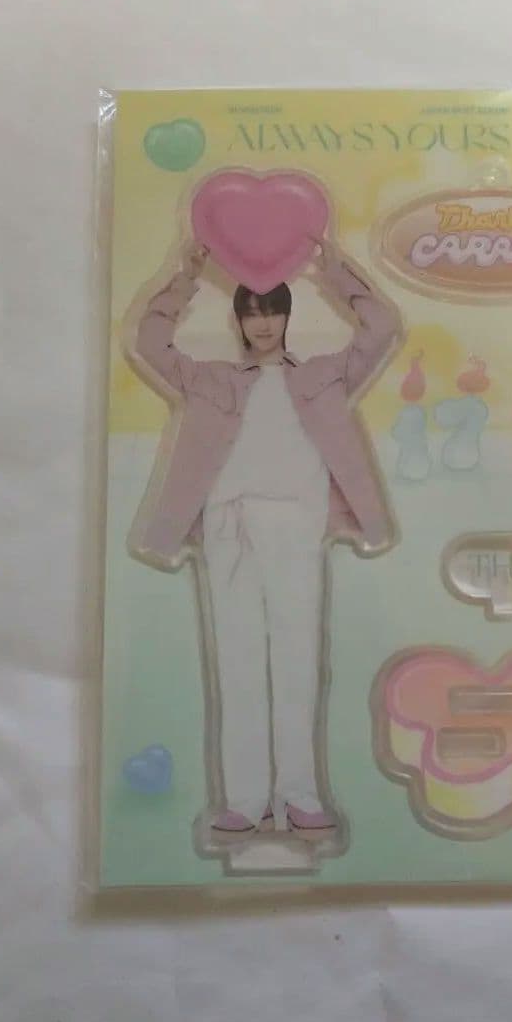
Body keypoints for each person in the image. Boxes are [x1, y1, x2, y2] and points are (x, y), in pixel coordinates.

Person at [129, 235, 402, 841]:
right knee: (238, 663)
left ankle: (299, 795)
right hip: (227, 524)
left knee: (298, 660)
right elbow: (150, 342)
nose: (262, 323)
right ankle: (246, 801)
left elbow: (381, 328)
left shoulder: (324, 376)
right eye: (251, 312)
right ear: (238, 320)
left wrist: (336, 271)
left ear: (286, 316)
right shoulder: (212, 380)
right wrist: (184, 277)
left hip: (296, 524)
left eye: (271, 311)